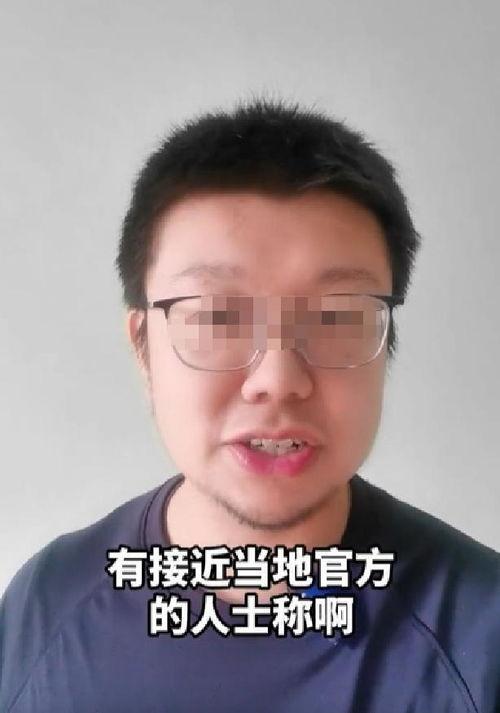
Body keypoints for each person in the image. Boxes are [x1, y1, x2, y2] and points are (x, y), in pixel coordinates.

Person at [1, 98, 499, 713]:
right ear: (143, 346)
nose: (278, 380)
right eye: (218, 316)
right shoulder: (45, 606)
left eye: (336, 317)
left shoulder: (481, 636)